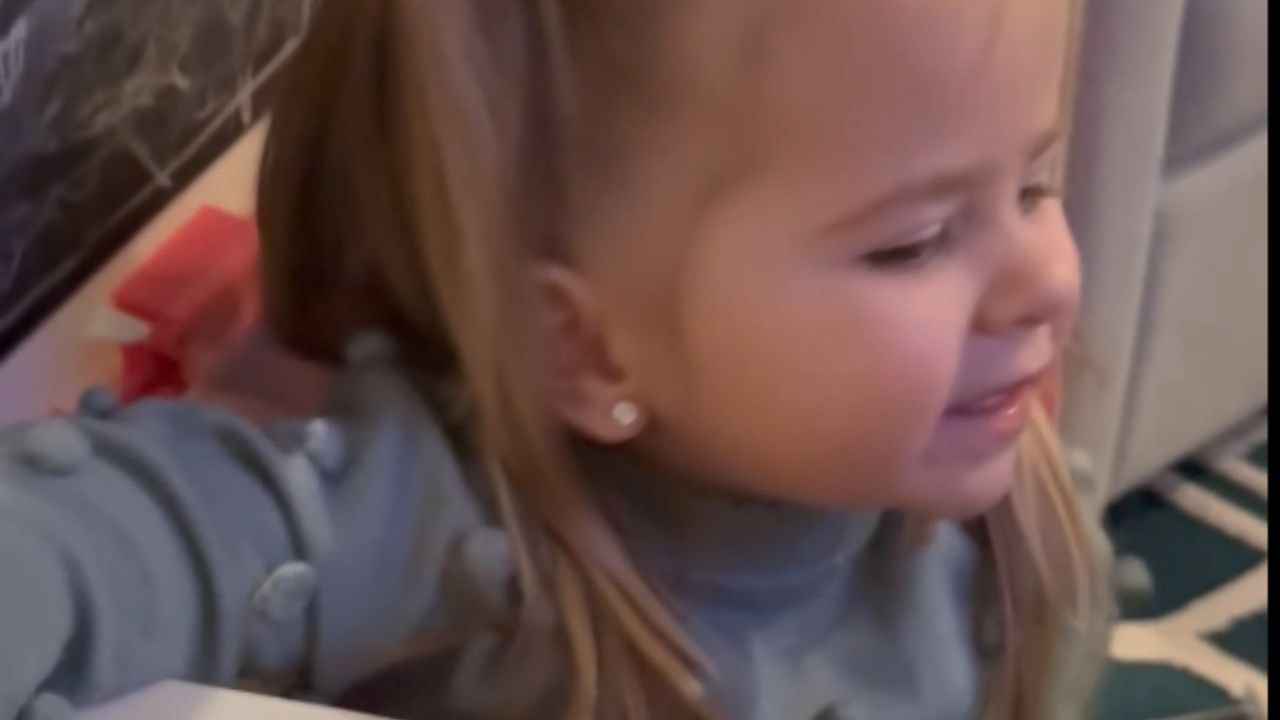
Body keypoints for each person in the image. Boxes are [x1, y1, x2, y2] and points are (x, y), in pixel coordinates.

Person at [0, 1, 1115, 718]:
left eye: (1030, 186)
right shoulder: (437, 524)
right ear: (580, 348)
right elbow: (86, 538)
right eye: (912, 241)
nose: (1043, 283)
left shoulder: (1008, 542)